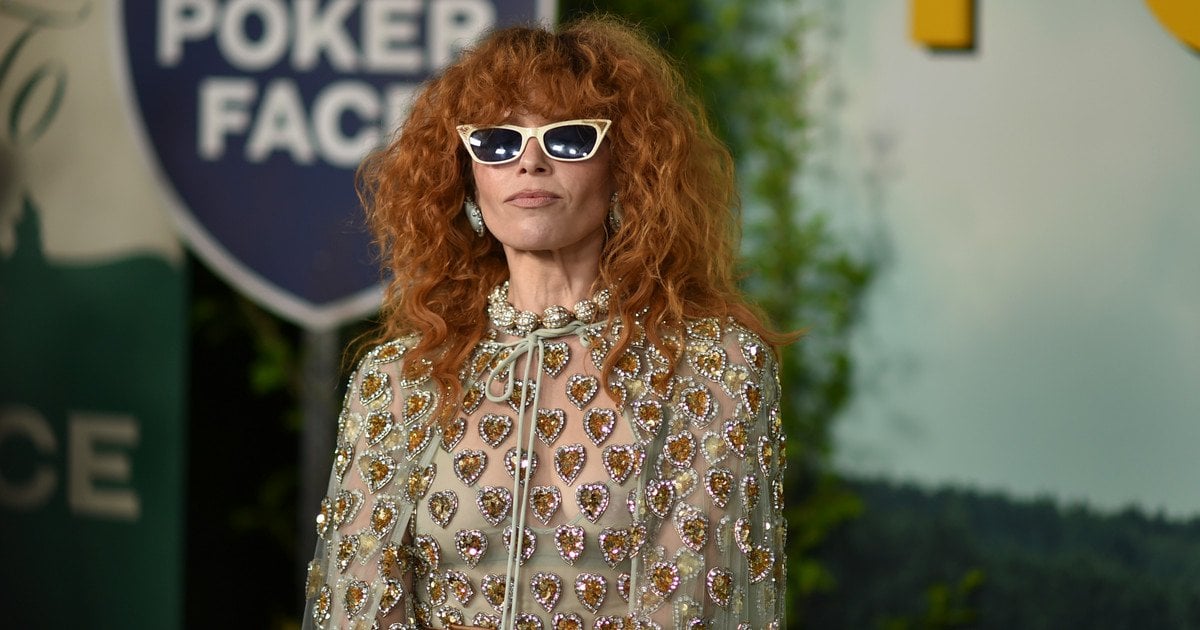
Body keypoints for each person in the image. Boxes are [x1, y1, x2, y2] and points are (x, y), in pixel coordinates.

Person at [302, 16, 791, 630]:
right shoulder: (398, 378)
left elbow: (689, 607)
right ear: (467, 177)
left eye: (569, 139)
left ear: (625, 166)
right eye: (497, 142)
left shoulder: (714, 366)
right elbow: (361, 607)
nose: (529, 162)